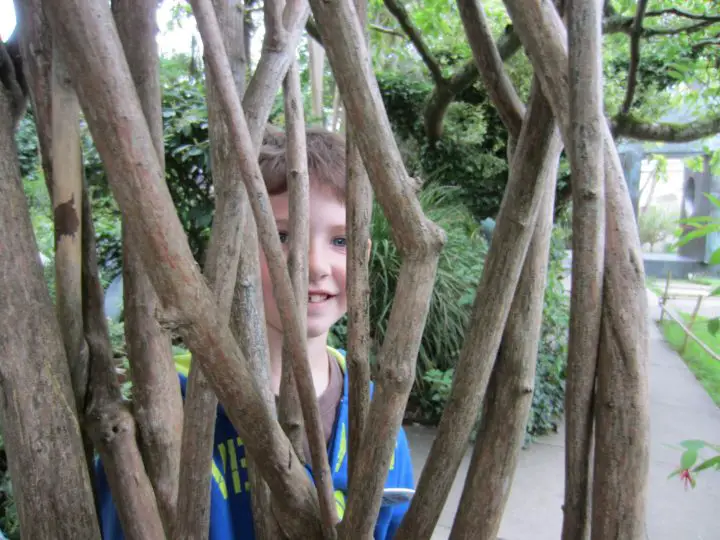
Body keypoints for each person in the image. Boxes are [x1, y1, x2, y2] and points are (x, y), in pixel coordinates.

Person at [95, 128, 415, 539]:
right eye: (280, 236)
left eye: (340, 240)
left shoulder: (375, 414)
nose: (313, 264)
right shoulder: (170, 407)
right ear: (236, 246)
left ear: (364, 256)